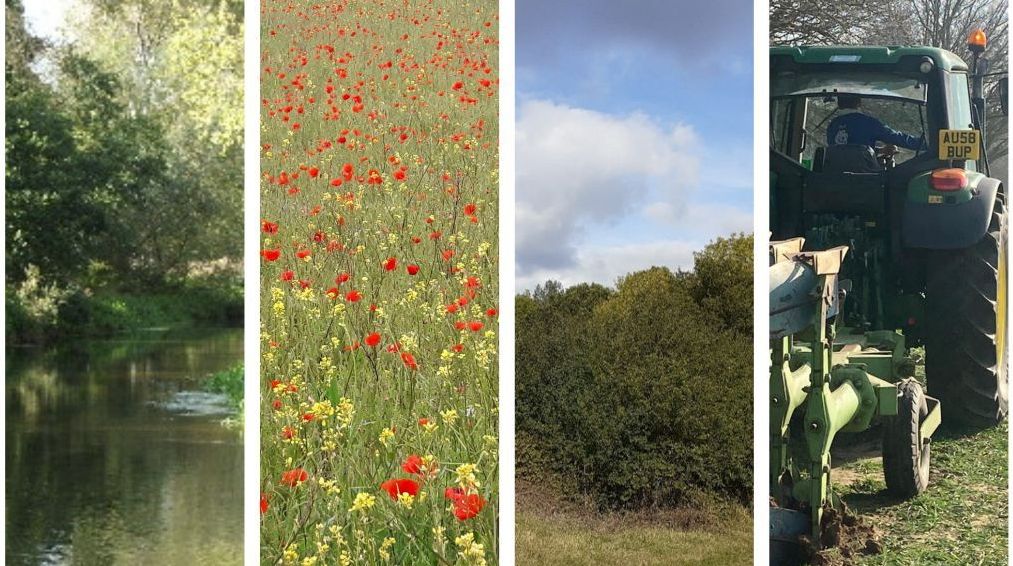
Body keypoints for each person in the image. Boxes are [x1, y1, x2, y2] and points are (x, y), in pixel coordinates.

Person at [826, 94, 925, 151]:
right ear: (859, 102)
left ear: (839, 104)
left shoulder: (832, 125)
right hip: (865, 175)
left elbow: (846, 151)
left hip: (836, 175)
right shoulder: (868, 123)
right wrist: (924, 144)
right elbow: (895, 137)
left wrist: (881, 150)